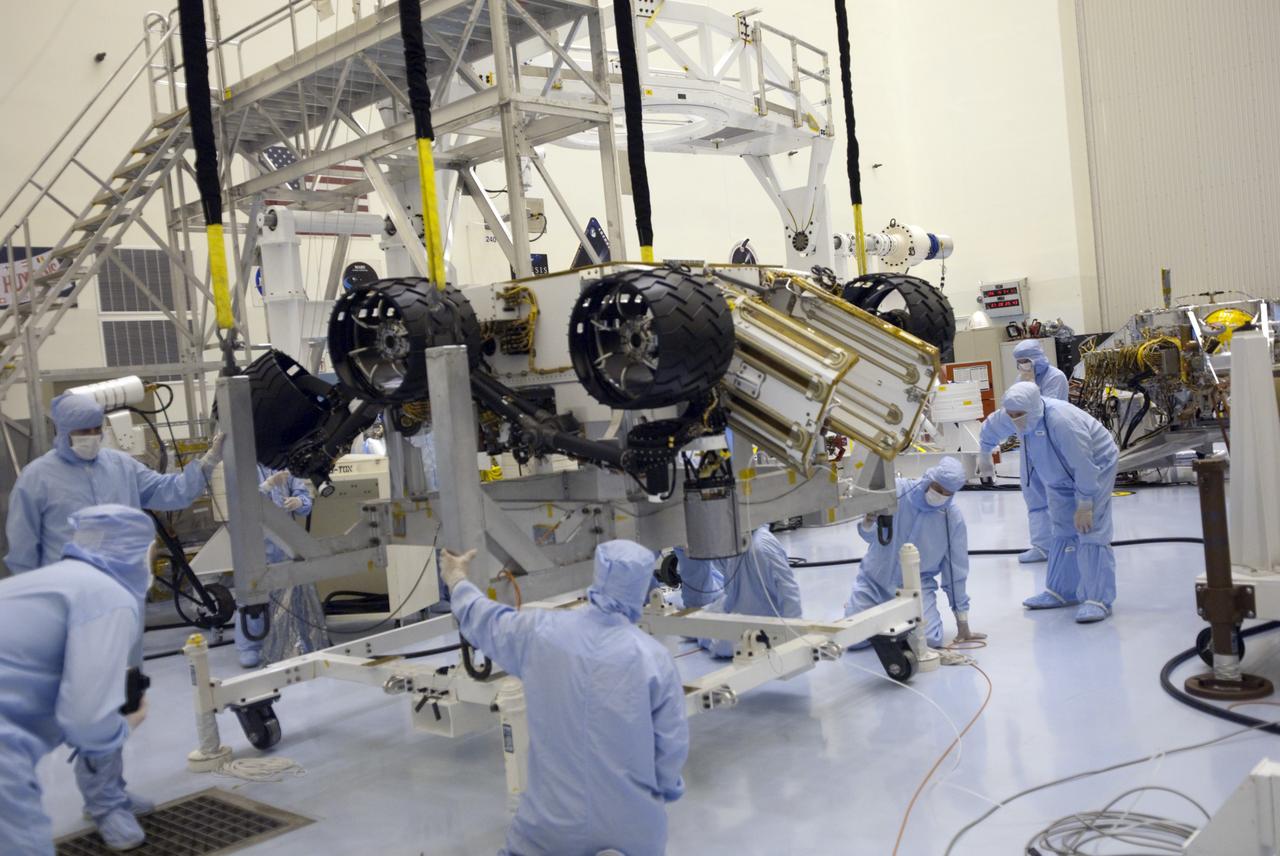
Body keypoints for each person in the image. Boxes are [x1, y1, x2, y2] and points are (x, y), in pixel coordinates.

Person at [441, 541, 689, 856]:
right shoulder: (653, 659)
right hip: (631, 824)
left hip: (550, 822)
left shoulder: (541, 632)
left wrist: (457, 580)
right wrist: (661, 791)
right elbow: (671, 746)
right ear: (642, 586)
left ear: (597, 574)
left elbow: (485, 620)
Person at [0, 505, 157, 853]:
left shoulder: (53, 581)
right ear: (137, 550)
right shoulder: (106, 596)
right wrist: (124, 725)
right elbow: (85, 716)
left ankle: (110, 798)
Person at [5, 392, 225, 574]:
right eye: (83, 431)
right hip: (67, 591)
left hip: (121, 586)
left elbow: (172, 491)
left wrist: (210, 460)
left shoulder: (121, 466)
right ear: (64, 431)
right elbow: (23, 550)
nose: (91, 436)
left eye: (96, 429)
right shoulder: (37, 477)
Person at [980, 382, 1119, 623]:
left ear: (1033, 409)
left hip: (1095, 467)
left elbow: (1084, 465)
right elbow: (991, 427)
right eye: (1011, 415)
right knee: (1062, 529)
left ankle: (1098, 599)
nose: (1015, 420)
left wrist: (1085, 503)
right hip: (1057, 474)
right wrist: (984, 454)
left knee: (1090, 530)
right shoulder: (1014, 413)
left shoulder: (1062, 422)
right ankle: (1062, 591)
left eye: (1019, 416)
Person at [844, 457, 983, 647]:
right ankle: (860, 608)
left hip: (916, 587)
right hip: (875, 580)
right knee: (853, 641)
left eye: (947, 493)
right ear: (929, 478)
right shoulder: (898, 492)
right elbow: (869, 537)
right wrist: (868, 523)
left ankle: (882, 617)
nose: (940, 495)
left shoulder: (951, 519)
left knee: (930, 640)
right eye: (938, 488)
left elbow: (955, 570)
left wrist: (962, 622)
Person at [234, 465, 324, 668]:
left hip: (284, 541)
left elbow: (305, 498)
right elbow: (243, 504)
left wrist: (299, 501)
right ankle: (249, 647)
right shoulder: (244, 464)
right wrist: (267, 486)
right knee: (254, 594)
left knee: (293, 591)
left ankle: (295, 641)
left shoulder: (284, 466)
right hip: (256, 542)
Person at [677, 526, 802, 658]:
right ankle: (698, 628)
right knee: (690, 625)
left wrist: (793, 637)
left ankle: (701, 632)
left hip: (761, 619)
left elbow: (789, 592)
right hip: (735, 606)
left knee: (722, 644)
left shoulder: (762, 547)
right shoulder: (736, 541)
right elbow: (730, 584)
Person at [998, 339, 1071, 564]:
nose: (1022, 366)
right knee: (1033, 494)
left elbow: (1045, 409)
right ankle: (1041, 546)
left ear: (1037, 358)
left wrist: (1032, 388)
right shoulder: (1022, 378)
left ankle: (1066, 543)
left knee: (1057, 494)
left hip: (1051, 444)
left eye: (1026, 361)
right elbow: (1016, 407)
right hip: (1028, 444)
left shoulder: (1055, 377)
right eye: (1019, 362)